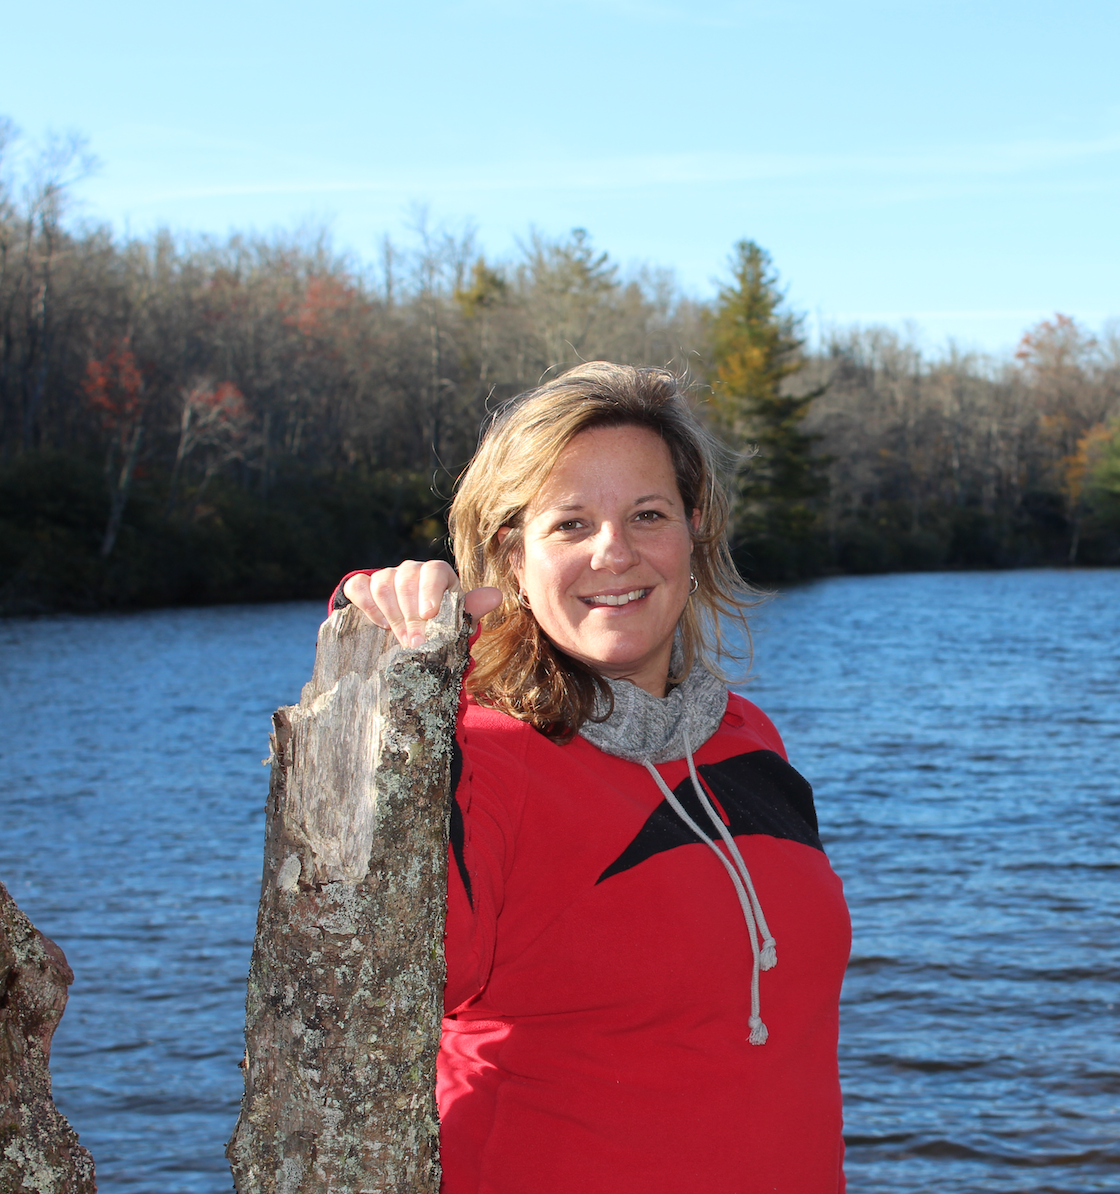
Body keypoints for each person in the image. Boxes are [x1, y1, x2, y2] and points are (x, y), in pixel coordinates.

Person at [338, 362, 851, 1193]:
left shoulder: (746, 739)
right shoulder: (477, 755)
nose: (614, 551)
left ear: (692, 533)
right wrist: (381, 668)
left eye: (647, 514)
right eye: (570, 523)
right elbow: (362, 983)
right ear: (511, 554)